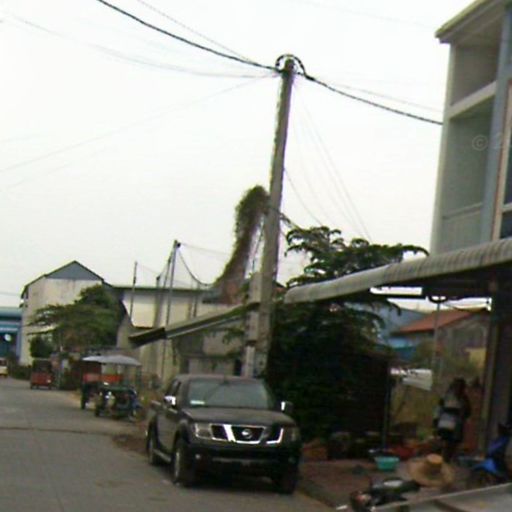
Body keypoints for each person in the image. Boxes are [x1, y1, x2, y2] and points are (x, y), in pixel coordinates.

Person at [434, 378, 471, 462]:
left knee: (449, 445)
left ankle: (445, 461)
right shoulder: (460, 398)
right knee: (449, 445)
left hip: (449, 424)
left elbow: (438, 409)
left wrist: (436, 420)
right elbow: (468, 412)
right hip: (451, 425)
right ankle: (445, 461)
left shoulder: (448, 396)